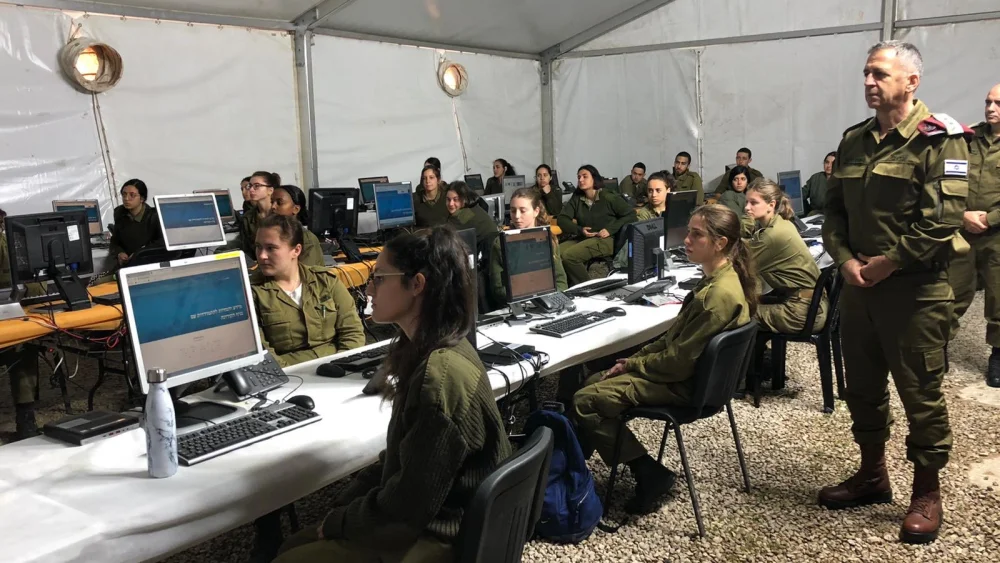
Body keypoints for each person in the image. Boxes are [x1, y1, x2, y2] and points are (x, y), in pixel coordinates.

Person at [274, 226, 512, 563]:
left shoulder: (439, 376)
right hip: (442, 517)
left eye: (379, 277)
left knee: (287, 557)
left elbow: (405, 509)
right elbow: (402, 458)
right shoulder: (438, 346)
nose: (369, 287)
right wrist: (344, 506)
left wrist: (340, 521)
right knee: (296, 543)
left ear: (417, 285)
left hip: (441, 536)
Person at [819, 40, 971, 545]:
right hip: (861, 288)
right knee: (861, 388)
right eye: (866, 73)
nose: (868, 82)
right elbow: (834, 212)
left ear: (912, 82)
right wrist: (844, 260)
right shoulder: (854, 140)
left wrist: (888, 263)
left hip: (915, 290)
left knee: (921, 395)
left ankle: (927, 491)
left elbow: (943, 220)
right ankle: (872, 475)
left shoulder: (939, 140)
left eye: (880, 74)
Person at [573, 204, 756, 514]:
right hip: (700, 380)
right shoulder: (724, 278)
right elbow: (673, 341)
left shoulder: (717, 297)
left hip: (685, 385)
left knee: (584, 399)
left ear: (720, 243)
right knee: (594, 381)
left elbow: (676, 362)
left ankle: (649, 473)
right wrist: (632, 359)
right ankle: (582, 459)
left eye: (696, 235)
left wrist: (631, 364)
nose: (686, 239)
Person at [250, 214, 364, 367]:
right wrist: (293, 377)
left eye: (271, 248)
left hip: (337, 365)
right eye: (258, 247)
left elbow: (352, 332)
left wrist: (343, 366)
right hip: (290, 374)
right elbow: (263, 352)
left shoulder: (325, 281)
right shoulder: (252, 293)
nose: (262, 255)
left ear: (296, 250)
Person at [949, 83, 1000, 387]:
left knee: (999, 297)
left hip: (997, 236)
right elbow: (945, 179)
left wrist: (990, 219)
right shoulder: (966, 139)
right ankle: (937, 348)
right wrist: (962, 216)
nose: (990, 108)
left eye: (998, 103)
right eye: (988, 102)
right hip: (963, 231)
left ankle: (998, 354)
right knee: (951, 293)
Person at [743, 179, 827, 333]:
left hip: (800, 312)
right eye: (746, 202)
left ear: (772, 204)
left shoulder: (772, 235)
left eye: (753, 203)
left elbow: (739, 266)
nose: (747, 207)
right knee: (749, 302)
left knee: (735, 315)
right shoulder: (783, 223)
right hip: (812, 305)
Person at [0, 207, 42, 440]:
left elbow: (17, 281)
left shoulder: (7, 241)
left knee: (24, 345)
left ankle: (25, 416)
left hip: (6, 315)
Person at [557, 165, 636, 286]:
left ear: (594, 178)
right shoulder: (577, 198)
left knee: (569, 256)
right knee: (555, 252)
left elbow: (631, 215)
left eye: (585, 176)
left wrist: (610, 230)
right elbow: (561, 219)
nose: (580, 180)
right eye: (578, 177)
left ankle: (589, 287)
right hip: (584, 237)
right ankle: (564, 287)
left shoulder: (608, 197)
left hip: (605, 239)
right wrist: (579, 230)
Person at [490, 187, 568, 306]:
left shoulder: (548, 238)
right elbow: (498, 289)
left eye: (522, 210)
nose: (516, 216)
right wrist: (529, 302)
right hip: (518, 306)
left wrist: (551, 301)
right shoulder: (500, 243)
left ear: (536, 211)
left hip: (548, 304)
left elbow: (560, 280)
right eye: (512, 210)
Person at [611, 171, 675, 270]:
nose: (653, 195)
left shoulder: (674, 209)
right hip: (652, 260)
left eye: (658, 190)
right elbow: (641, 243)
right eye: (650, 191)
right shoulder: (644, 214)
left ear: (668, 190)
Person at [223, 171, 278, 257]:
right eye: (250, 186)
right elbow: (246, 248)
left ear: (270, 190)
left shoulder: (280, 213)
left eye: (257, 186)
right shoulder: (248, 217)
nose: (251, 190)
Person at [269, 184, 325, 268]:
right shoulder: (271, 234)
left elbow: (306, 275)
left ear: (296, 209)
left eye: (279, 203)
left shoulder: (306, 238)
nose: (273, 206)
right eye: (271, 202)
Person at [109, 179, 162, 266]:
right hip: (127, 263)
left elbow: (161, 243)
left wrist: (140, 253)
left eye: (132, 195)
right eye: (124, 194)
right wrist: (119, 253)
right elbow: (115, 241)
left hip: (148, 263)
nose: (126, 198)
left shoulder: (154, 216)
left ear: (142, 198)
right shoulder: (119, 212)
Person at [444, 181, 498, 246]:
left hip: (488, 248)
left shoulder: (465, 214)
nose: (451, 204)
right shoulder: (474, 207)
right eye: (448, 199)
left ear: (464, 199)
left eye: (455, 199)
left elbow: (445, 236)